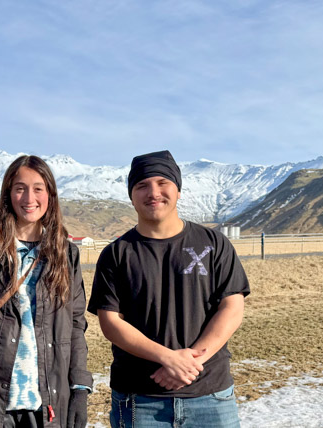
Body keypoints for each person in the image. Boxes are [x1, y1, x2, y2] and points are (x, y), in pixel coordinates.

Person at [87, 151, 250, 428]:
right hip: (140, 400)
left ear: (178, 189)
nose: (153, 192)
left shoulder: (214, 243)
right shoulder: (116, 254)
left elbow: (232, 307)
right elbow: (111, 322)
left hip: (210, 396)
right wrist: (168, 358)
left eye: (163, 182)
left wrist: (190, 363)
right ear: (131, 195)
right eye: (142, 185)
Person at [0, 155, 92, 428]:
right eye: (20, 188)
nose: (29, 197)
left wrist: (80, 387)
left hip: (47, 400)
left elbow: (76, 325)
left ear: (50, 195)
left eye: (38, 188)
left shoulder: (65, 254)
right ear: (8, 192)